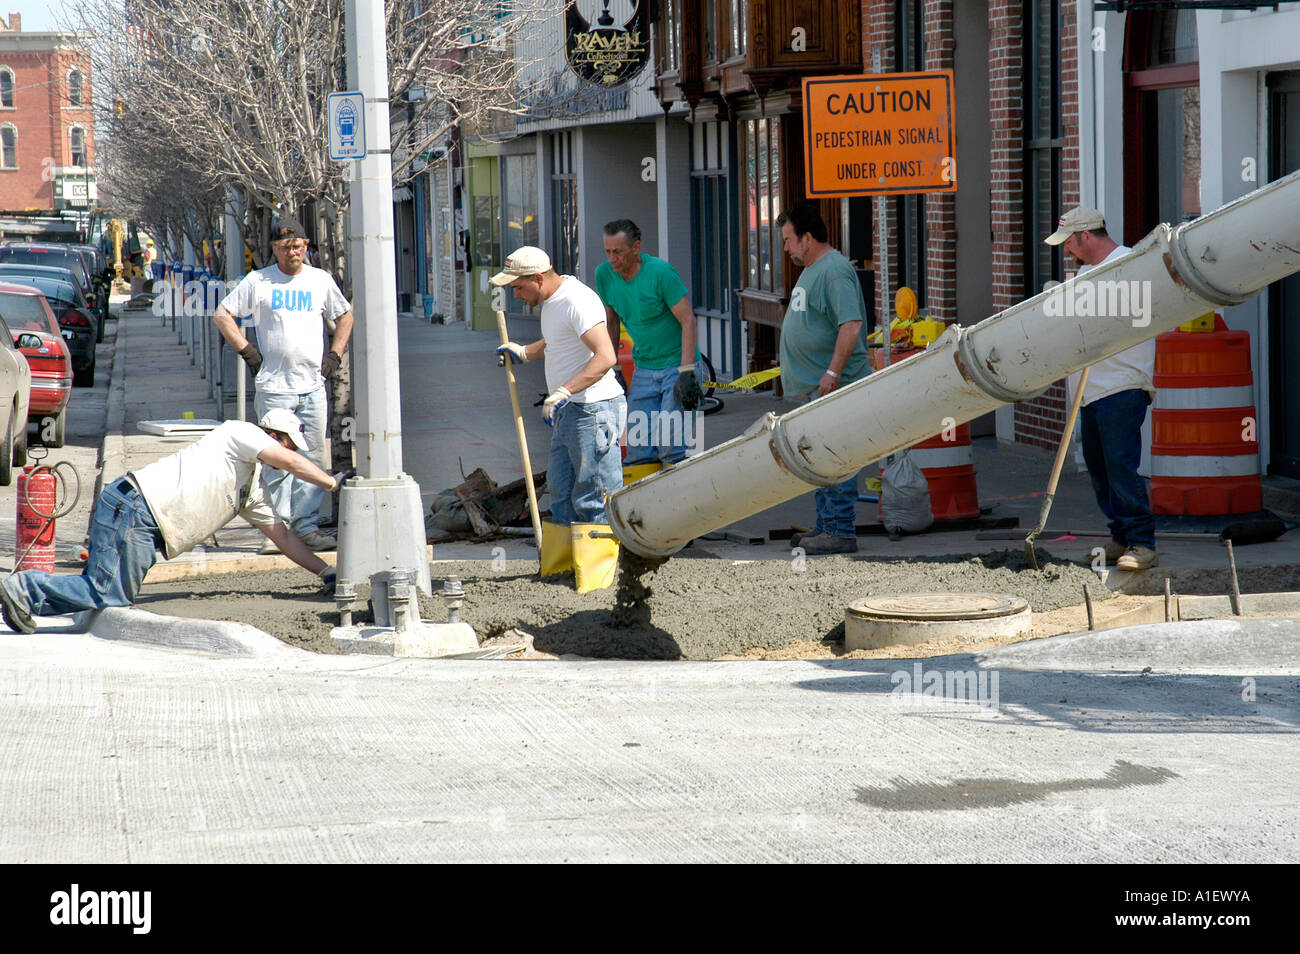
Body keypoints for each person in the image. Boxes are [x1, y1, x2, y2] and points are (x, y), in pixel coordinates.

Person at [0, 411, 345, 634]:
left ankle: (25, 598)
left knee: (106, 590)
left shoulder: (251, 489)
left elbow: (282, 537)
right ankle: (24, 588)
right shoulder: (240, 433)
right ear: (273, 435)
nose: (288, 455)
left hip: (143, 522)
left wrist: (323, 572)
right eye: (287, 445)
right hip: (136, 508)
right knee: (109, 594)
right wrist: (332, 484)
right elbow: (286, 460)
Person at [213, 216, 353, 552]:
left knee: (315, 458)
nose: (292, 251)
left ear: (306, 246)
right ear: (275, 250)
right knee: (275, 460)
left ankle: (305, 527)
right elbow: (222, 314)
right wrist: (247, 351)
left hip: (312, 387)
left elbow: (345, 315)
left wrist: (335, 355)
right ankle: (277, 532)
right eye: (285, 246)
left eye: (297, 245)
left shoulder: (320, 280)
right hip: (275, 387)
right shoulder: (259, 281)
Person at [492, 246, 625, 587]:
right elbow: (558, 342)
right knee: (562, 491)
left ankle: (600, 579)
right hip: (570, 411)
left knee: (594, 493)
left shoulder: (576, 300)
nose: (517, 295)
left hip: (593, 409)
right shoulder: (551, 301)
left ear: (538, 278)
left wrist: (565, 390)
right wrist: (524, 352)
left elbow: (606, 355)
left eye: (519, 287)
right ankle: (564, 570)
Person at [1046, 206, 1157, 570]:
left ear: (1086, 236)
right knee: (1098, 467)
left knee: (1120, 464)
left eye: (1069, 244)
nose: (1066, 251)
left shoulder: (1129, 266)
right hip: (1091, 390)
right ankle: (1121, 535)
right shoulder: (1084, 274)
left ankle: (1141, 543)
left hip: (1122, 385)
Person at [776, 202, 872, 555]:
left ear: (808, 238)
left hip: (835, 387)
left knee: (835, 455)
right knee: (819, 457)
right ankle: (826, 525)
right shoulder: (814, 268)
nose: (786, 249)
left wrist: (832, 373)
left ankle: (840, 530)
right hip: (817, 388)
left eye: (789, 240)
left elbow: (851, 324)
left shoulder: (833, 271)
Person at [595, 219, 701, 470]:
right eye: (608, 251)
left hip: (677, 365)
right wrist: (614, 368)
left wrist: (687, 372)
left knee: (671, 446)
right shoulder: (604, 275)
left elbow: (688, 319)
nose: (612, 259)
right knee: (638, 447)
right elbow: (611, 321)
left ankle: (680, 504)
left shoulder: (661, 273)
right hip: (645, 368)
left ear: (636, 247)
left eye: (618, 252)